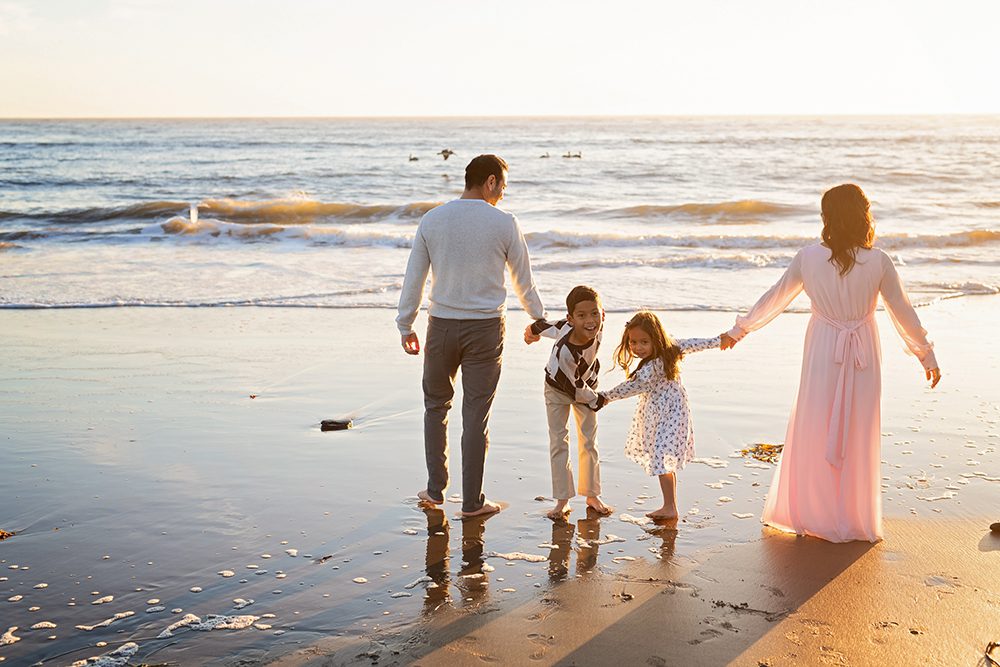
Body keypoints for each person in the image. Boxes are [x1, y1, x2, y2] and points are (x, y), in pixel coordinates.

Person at [723, 183, 941, 543]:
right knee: (858, 428)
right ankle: (853, 518)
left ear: (826, 217)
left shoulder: (808, 257)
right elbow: (903, 312)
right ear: (863, 216)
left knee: (816, 423)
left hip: (825, 347)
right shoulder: (878, 260)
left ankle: (814, 513)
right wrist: (925, 353)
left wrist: (740, 329)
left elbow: (774, 298)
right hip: (862, 351)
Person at [396, 154, 546, 517]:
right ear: (491, 181)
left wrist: (406, 324)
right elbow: (523, 281)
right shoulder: (505, 223)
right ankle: (473, 502)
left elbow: (414, 277)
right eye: (503, 187)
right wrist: (539, 319)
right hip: (485, 329)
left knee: (436, 407)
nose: (502, 195)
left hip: (441, 327)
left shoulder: (432, 219)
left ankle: (435, 491)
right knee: (475, 415)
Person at [597, 311, 724, 521]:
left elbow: (632, 386)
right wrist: (720, 340)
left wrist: (605, 397)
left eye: (644, 342)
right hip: (660, 414)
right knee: (663, 457)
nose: (638, 348)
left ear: (656, 338)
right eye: (633, 342)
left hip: (673, 413)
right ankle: (670, 506)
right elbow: (632, 385)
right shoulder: (663, 355)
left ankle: (670, 506)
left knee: (662, 456)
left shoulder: (667, 353)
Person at [524, 285, 612, 519]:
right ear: (571, 319)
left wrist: (532, 330)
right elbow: (574, 389)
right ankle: (563, 500)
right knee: (559, 440)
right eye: (581, 316)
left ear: (601, 313)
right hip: (558, 387)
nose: (590, 321)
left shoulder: (597, 324)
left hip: (586, 382)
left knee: (589, 439)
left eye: (594, 313)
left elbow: (546, 325)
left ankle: (592, 494)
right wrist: (600, 400)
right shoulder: (565, 351)